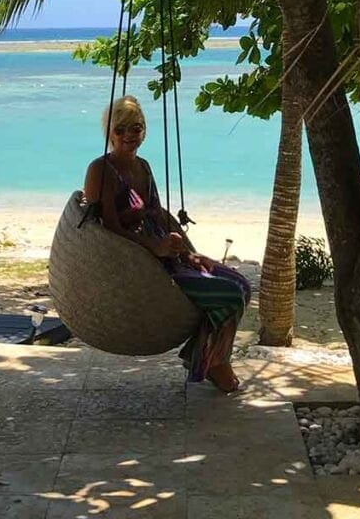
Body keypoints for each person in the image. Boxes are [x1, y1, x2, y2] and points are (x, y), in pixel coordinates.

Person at [84, 94, 251, 393]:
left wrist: (189, 252)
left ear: (143, 130)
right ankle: (212, 363)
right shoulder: (101, 170)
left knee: (241, 284)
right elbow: (108, 228)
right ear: (109, 132)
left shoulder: (143, 167)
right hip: (137, 262)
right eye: (120, 129)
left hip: (165, 253)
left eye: (135, 128)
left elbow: (158, 213)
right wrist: (154, 247)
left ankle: (203, 355)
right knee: (229, 295)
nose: (128, 136)